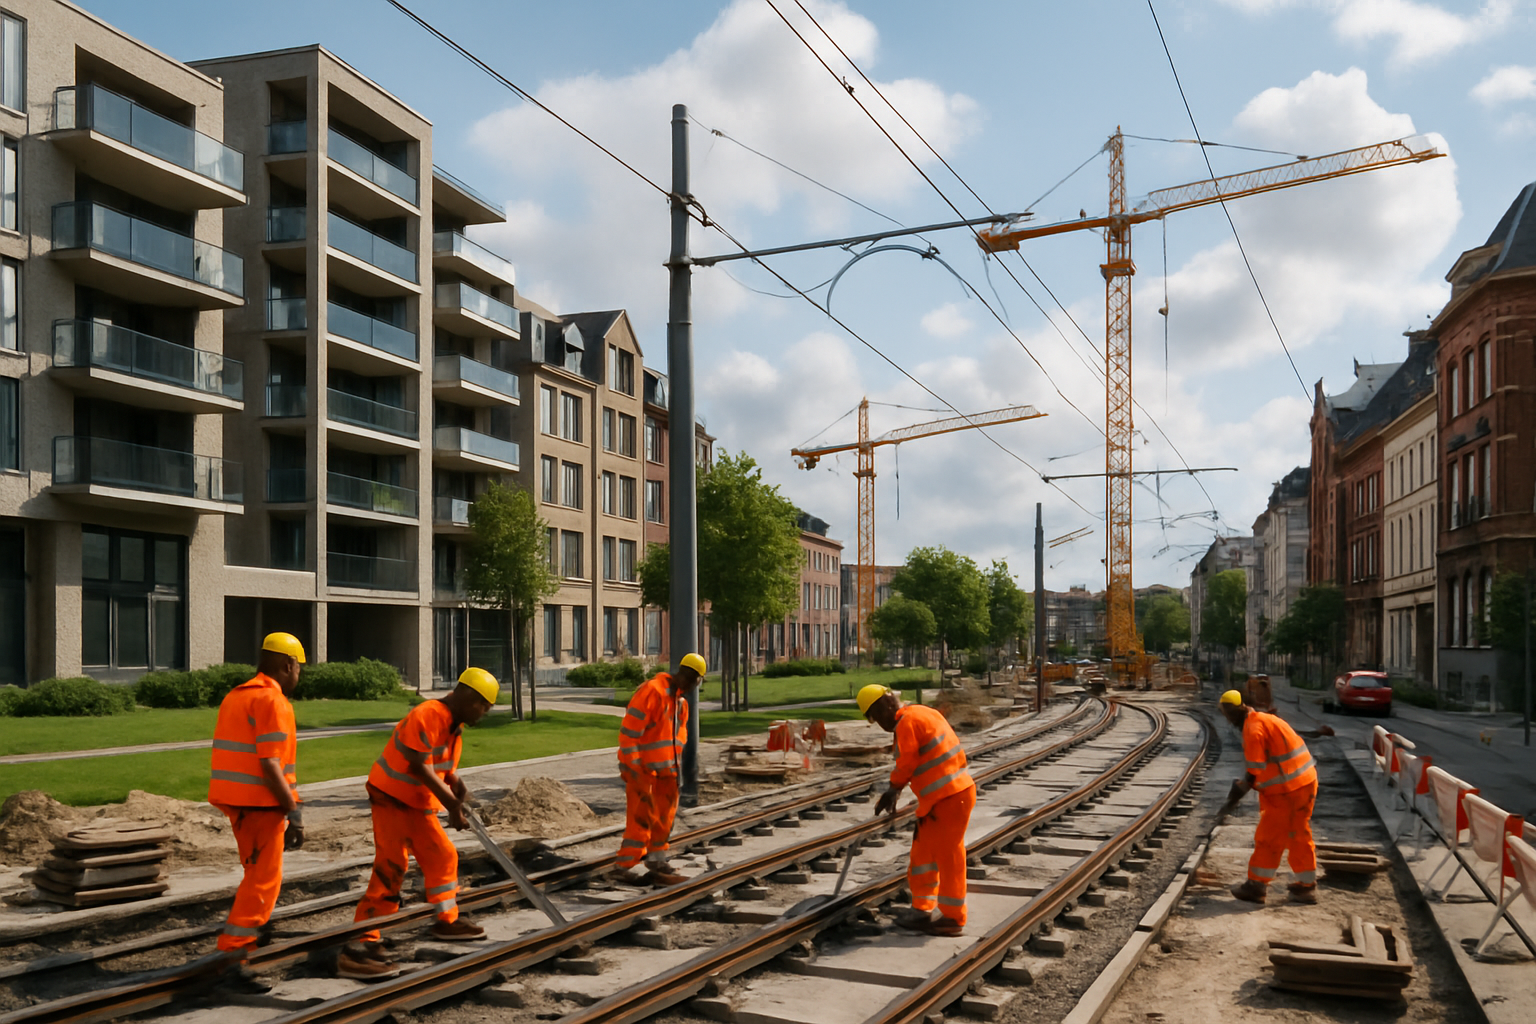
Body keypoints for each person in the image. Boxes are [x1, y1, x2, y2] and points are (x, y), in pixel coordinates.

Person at [338, 668, 499, 980]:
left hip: (416, 802)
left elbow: (440, 768)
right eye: (484, 706)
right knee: (391, 866)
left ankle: (446, 921)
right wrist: (453, 806)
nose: (484, 714)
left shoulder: (453, 727)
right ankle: (361, 943)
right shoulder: (428, 714)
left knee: (443, 856)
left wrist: (456, 783)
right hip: (391, 797)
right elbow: (418, 765)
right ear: (468, 697)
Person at [207, 632, 305, 992]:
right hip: (262, 805)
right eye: (299, 668)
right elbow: (271, 765)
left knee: (255, 875)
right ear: (288, 665)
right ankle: (233, 955)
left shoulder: (236, 696)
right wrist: (293, 812)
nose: (299, 676)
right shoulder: (273, 701)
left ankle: (250, 933)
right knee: (263, 882)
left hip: (238, 803)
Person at [860, 684, 975, 937]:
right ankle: (922, 909)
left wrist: (893, 789)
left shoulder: (906, 723)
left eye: (876, 717)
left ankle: (953, 917)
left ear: (885, 706)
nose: (879, 724)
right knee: (923, 855)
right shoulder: (922, 712)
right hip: (942, 798)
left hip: (950, 797)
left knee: (948, 857)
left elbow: (907, 762)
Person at [1217, 689, 1319, 905]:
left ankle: (1256, 886)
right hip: (1304, 783)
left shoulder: (1253, 730)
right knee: (1298, 833)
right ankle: (1306, 887)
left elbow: (1254, 770)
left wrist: (1238, 792)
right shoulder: (1264, 719)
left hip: (1287, 790)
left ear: (1231, 713)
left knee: (1269, 837)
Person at [612, 653, 705, 885]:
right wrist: (633, 764)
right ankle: (625, 866)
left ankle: (656, 859)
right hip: (642, 770)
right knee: (640, 818)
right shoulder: (652, 691)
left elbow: (676, 738)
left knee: (664, 818)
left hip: (667, 772)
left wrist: (674, 767)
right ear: (695, 679)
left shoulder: (679, 702)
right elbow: (629, 732)